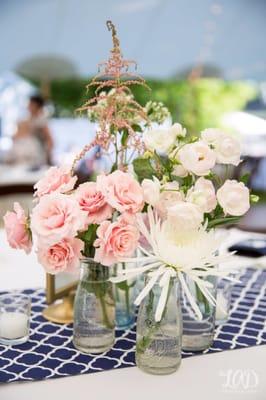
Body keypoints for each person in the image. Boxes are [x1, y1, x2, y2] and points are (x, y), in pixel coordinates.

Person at [11, 95, 53, 167]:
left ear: (37, 106)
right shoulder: (26, 119)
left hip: (36, 157)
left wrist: (47, 157)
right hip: (24, 155)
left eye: (30, 104)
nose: (28, 106)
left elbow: (50, 140)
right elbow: (16, 136)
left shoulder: (41, 121)